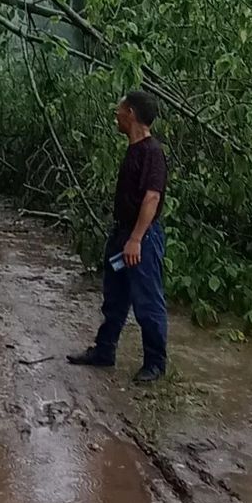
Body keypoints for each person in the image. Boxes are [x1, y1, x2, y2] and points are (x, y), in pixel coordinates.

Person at [67, 89, 168, 384]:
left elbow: (152, 198)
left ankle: (155, 364)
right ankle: (104, 351)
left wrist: (135, 239)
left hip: (142, 238)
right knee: (115, 296)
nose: (116, 114)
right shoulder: (133, 149)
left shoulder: (152, 152)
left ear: (131, 114)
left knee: (147, 301)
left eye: (119, 110)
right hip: (122, 233)